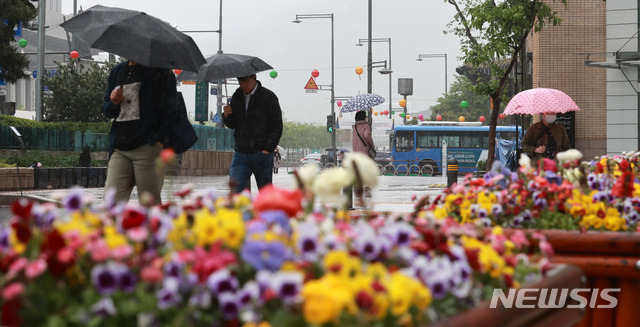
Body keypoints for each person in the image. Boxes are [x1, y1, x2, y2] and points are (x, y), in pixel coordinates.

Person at [102, 60, 176, 204]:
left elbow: (171, 108)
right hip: (120, 147)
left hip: (147, 147)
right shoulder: (117, 71)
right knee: (112, 203)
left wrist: (161, 141)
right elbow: (107, 110)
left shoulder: (159, 71)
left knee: (149, 205)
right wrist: (113, 102)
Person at [223, 74, 283, 194]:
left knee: (265, 195)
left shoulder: (268, 97)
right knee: (236, 193)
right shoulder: (237, 96)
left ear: (254, 77)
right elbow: (232, 124)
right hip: (241, 153)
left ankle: (267, 213)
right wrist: (226, 115)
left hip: (262, 154)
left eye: (244, 80)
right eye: (239, 80)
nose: (242, 84)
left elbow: (277, 125)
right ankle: (241, 213)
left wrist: (268, 149)